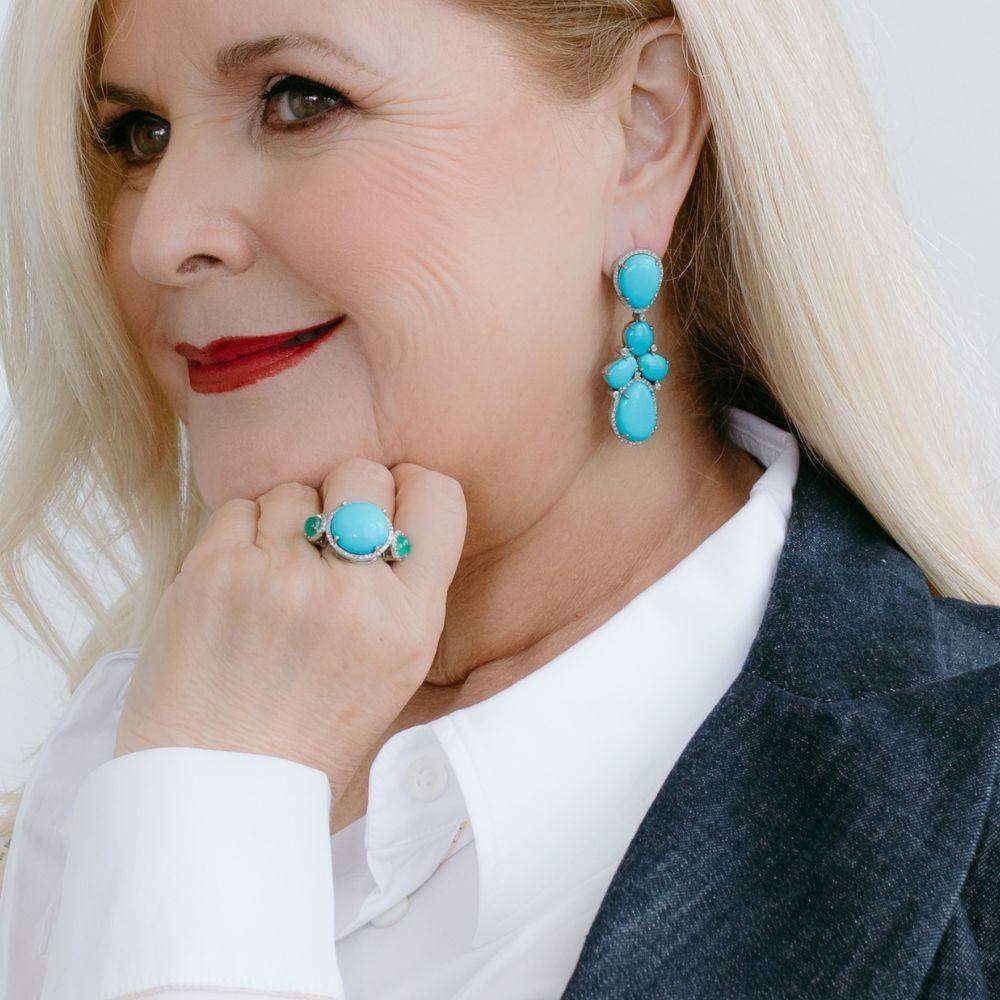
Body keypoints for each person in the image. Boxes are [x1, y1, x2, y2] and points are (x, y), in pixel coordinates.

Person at [0, 0, 997, 997]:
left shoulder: (967, 843)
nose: (160, 236)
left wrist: (210, 816)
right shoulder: (111, 762)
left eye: (300, 99)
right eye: (139, 134)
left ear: (644, 130)